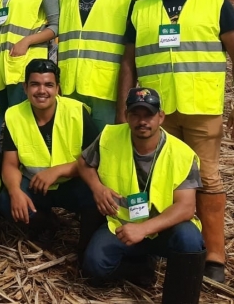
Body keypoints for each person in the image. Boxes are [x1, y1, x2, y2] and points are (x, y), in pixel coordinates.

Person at [117, 0, 234, 282]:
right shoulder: (142, 8)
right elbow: (129, 63)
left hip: (201, 108)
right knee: (155, 178)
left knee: (207, 178)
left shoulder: (215, 0)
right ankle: (157, 244)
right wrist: (123, 110)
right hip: (155, 112)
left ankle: (214, 255)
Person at [78, 88, 206, 303]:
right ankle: (141, 267)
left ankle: (181, 298)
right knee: (94, 265)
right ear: (126, 115)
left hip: (164, 228)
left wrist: (143, 229)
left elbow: (185, 207)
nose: (142, 121)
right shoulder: (110, 136)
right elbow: (83, 163)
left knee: (189, 238)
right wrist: (97, 188)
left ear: (161, 117)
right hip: (122, 225)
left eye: (149, 115)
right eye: (135, 114)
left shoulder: (182, 154)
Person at [0, 59, 100, 254]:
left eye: (48, 85)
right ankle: (47, 224)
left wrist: (59, 170)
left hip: (72, 183)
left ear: (58, 88)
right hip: (35, 184)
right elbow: (10, 164)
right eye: (35, 84)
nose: (41, 90)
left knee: (97, 192)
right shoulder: (14, 115)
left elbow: (96, 158)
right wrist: (15, 191)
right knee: (6, 201)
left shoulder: (76, 111)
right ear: (25, 87)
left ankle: (85, 248)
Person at [58, 0, 140, 134]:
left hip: (107, 92)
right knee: (72, 146)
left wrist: (124, 102)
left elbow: (132, 52)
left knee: (107, 146)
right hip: (70, 89)